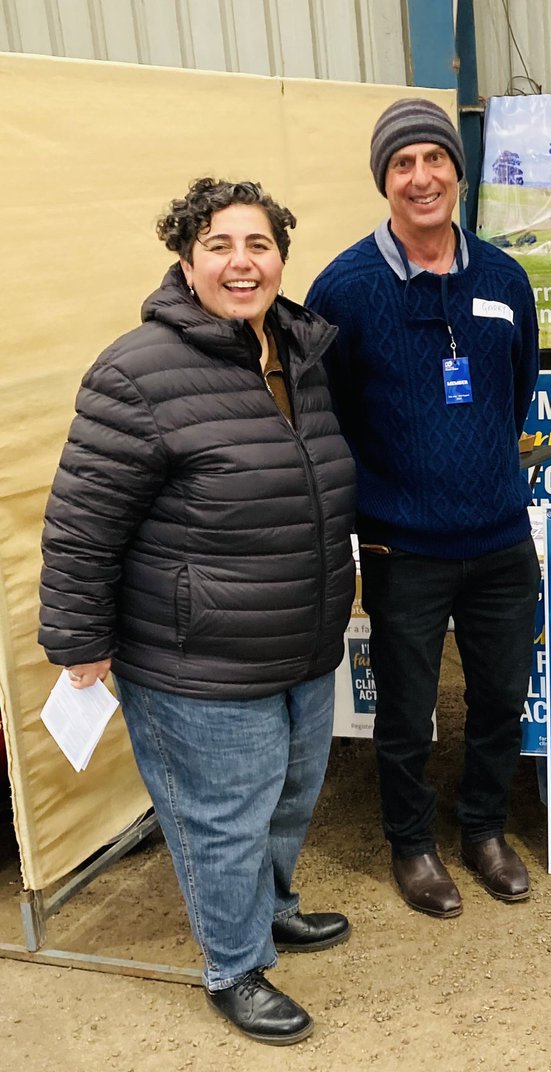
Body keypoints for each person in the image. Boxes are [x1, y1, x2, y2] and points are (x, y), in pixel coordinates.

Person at [39, 178, 357, 1043]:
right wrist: (79, 643)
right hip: (198, 659)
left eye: (257, 244)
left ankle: (273, 908)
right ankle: (235, 965)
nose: (241, 263)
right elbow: (81, 521)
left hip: (298, 638)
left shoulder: (299, 350)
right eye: (219, 245)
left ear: (281, 257)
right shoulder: (138, 370)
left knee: (292, 796)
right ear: (186, 260)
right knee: (222, 819)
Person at [306, 99, 540, 918]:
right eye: (401, 164)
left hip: (503, 538)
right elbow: (325, 413)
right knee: (405, 711)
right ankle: (412, 846)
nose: (421, 177)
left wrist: (477, 472)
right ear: (384, 181)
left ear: (457, 170)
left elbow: (516, 393)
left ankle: (483, 831)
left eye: (433, 159)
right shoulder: (344, 288)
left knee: (500, 698)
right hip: (404, 547)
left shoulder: (505, 278)